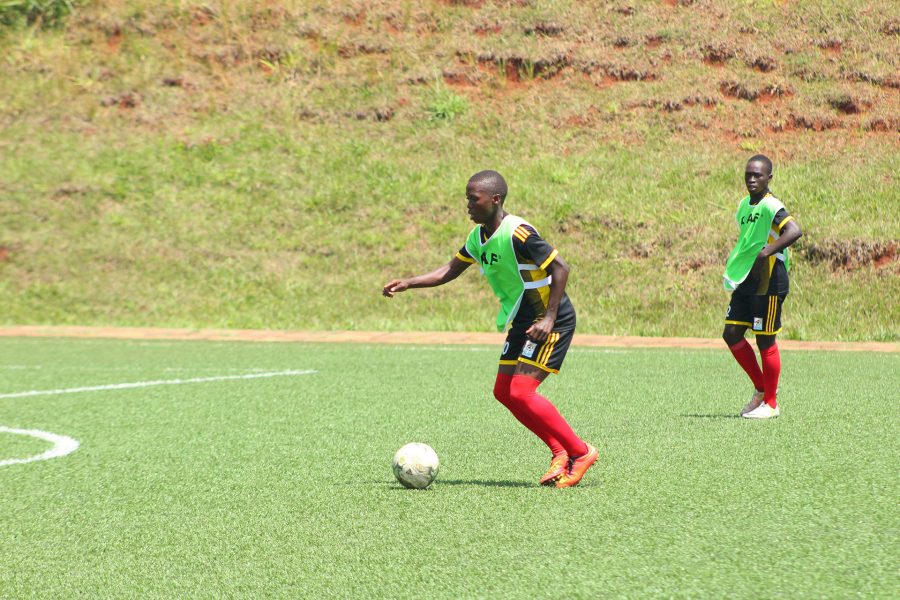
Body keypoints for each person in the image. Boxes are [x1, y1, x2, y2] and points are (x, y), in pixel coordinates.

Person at [383, 170, 598, 488]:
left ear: (495, 199)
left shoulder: (518, 233)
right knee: (503, 392)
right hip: (523, 320)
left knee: (521, 391)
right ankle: (559, 451)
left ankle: (580, 452)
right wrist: (409, 282)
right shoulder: (477, 237)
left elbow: (560, 267)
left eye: (474, 199)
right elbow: (450, 270)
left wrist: (549, 318)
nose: (468, 205)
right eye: (467, 199)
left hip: (549, 319)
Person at [722, 155, 803, 419]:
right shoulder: (743, 206)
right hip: (748, 277)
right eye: (748, 174)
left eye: (758, 175)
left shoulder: (772, 205)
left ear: (769, 177)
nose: (752, 179)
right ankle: (761, 389)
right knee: (732, 333)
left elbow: (794, 231)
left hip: (769, 279)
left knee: (764, 339)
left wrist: (765, 253)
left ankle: (771, 403)